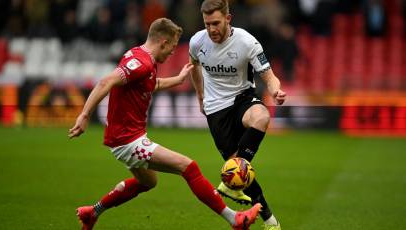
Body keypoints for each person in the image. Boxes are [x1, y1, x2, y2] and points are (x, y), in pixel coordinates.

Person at [68, 18, 261, 230]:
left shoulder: (139, 56)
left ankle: (92, 212)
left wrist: (177, 80)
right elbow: (107, 81)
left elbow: (151, 83)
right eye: (171, 47)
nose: (172, 53)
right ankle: (235, 220)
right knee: (189, 167)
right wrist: (84, 115)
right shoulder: (141, 63)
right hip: (127, 141)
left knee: (148, 182)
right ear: (163, 42)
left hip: (126, 138)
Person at [189, 1, 286, 230]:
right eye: (207, 24)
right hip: (215, 111)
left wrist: (275, 90)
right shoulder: (197, 41)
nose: (211, 29)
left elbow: (269, 76)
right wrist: (200, 95)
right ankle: (271, 221)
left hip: (242, 98)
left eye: (216, 23)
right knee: (241, 174)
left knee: (261, 117)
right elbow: (194, 66)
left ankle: (231, 185)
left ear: (228, 19)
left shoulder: (246, 42)